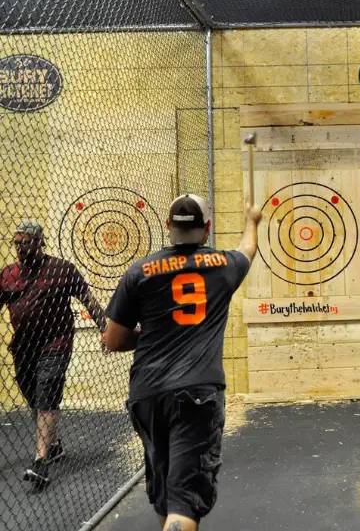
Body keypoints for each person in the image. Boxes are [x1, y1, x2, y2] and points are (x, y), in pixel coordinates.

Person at [104, 194, 261, 531]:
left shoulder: (139, 272)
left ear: (168, 227)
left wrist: (147, 336)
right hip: (196, 393)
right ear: (207, 229)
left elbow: (113, 340)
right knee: (183, 502)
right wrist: (253, 219)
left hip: (147, 394)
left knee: (165, 494)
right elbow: (248, 248)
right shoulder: (223, 265)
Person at [0, 221, 106, 491]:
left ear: (39, 242)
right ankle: (53, 445)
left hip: (56, 344)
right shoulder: (9, 274)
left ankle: (40, 461)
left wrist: (105, 328)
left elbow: (87, 299)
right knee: (31, 393)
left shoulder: (61, 269)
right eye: (17, 243)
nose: (21, 248)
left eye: (26, 242)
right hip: (23, 347)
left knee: (47, 390)